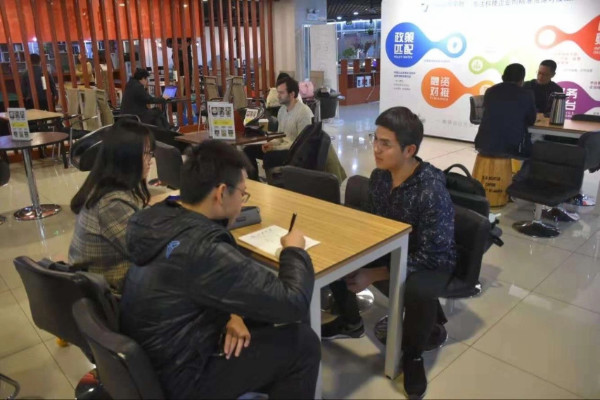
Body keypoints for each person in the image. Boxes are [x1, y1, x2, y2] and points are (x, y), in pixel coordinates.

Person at [120, 140, 320, 399]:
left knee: (259, 313)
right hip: (182, 380)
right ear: (222, 193)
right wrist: (294, 250)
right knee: (303, 344)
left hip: (153, 365)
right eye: (242, 194)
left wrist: (231, 315)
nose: (242, 203)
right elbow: (294, 302)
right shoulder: (203, 249)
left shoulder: (155, 218)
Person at [321, 107, 456, 399]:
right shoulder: (381, 177)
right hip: (391, 248)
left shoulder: (430, 190)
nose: (376, 149)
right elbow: (373, 224)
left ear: (409, 150)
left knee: (419, 289)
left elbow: (432, 256)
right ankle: (350, 320)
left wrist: (374, 273)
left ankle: (413, 354)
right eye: (376, 139)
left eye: (386, 144)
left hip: (428, 261)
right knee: (336, 250)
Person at [68, 119, 154, 294]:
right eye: (146, 153)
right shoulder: (111, 203)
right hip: (110, 294)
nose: (150, 160)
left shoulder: (104, 185)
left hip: (99, 282)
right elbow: (147, 252)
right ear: (126, 157)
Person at [243, 76, 313, 180]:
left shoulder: (304, 113)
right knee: (248, 150)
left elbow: (301, 145)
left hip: (294, 152)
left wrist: (275, 148)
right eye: (278, 92)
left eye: (281, 93)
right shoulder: (282, 111)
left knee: (270, 156)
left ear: (292, 94)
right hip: (283, 147)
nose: (278, 96)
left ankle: (273, 185)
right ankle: (255, 181)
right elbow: (280, 136)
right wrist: (271, 143)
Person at [475, 63, 537, 159]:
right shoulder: (527, 94)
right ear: (522, 80)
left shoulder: (490, 91)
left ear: (503, 77)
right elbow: (531, 120)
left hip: (483, 144)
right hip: (512, 148)